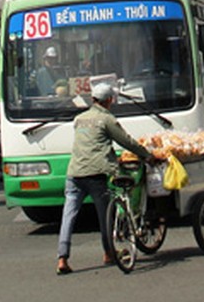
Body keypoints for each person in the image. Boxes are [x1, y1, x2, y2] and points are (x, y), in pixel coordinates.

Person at [56, 81, 153, 275]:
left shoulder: (79, 119)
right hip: (95, 174)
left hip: (74, 173)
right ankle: (109, 252)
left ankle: (62, 258)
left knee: (68, 216)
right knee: (105, 215)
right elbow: (126, 141)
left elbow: (91, 143)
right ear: (109, 100)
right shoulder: (107, 119)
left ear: (93, 99)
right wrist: (147, 155)